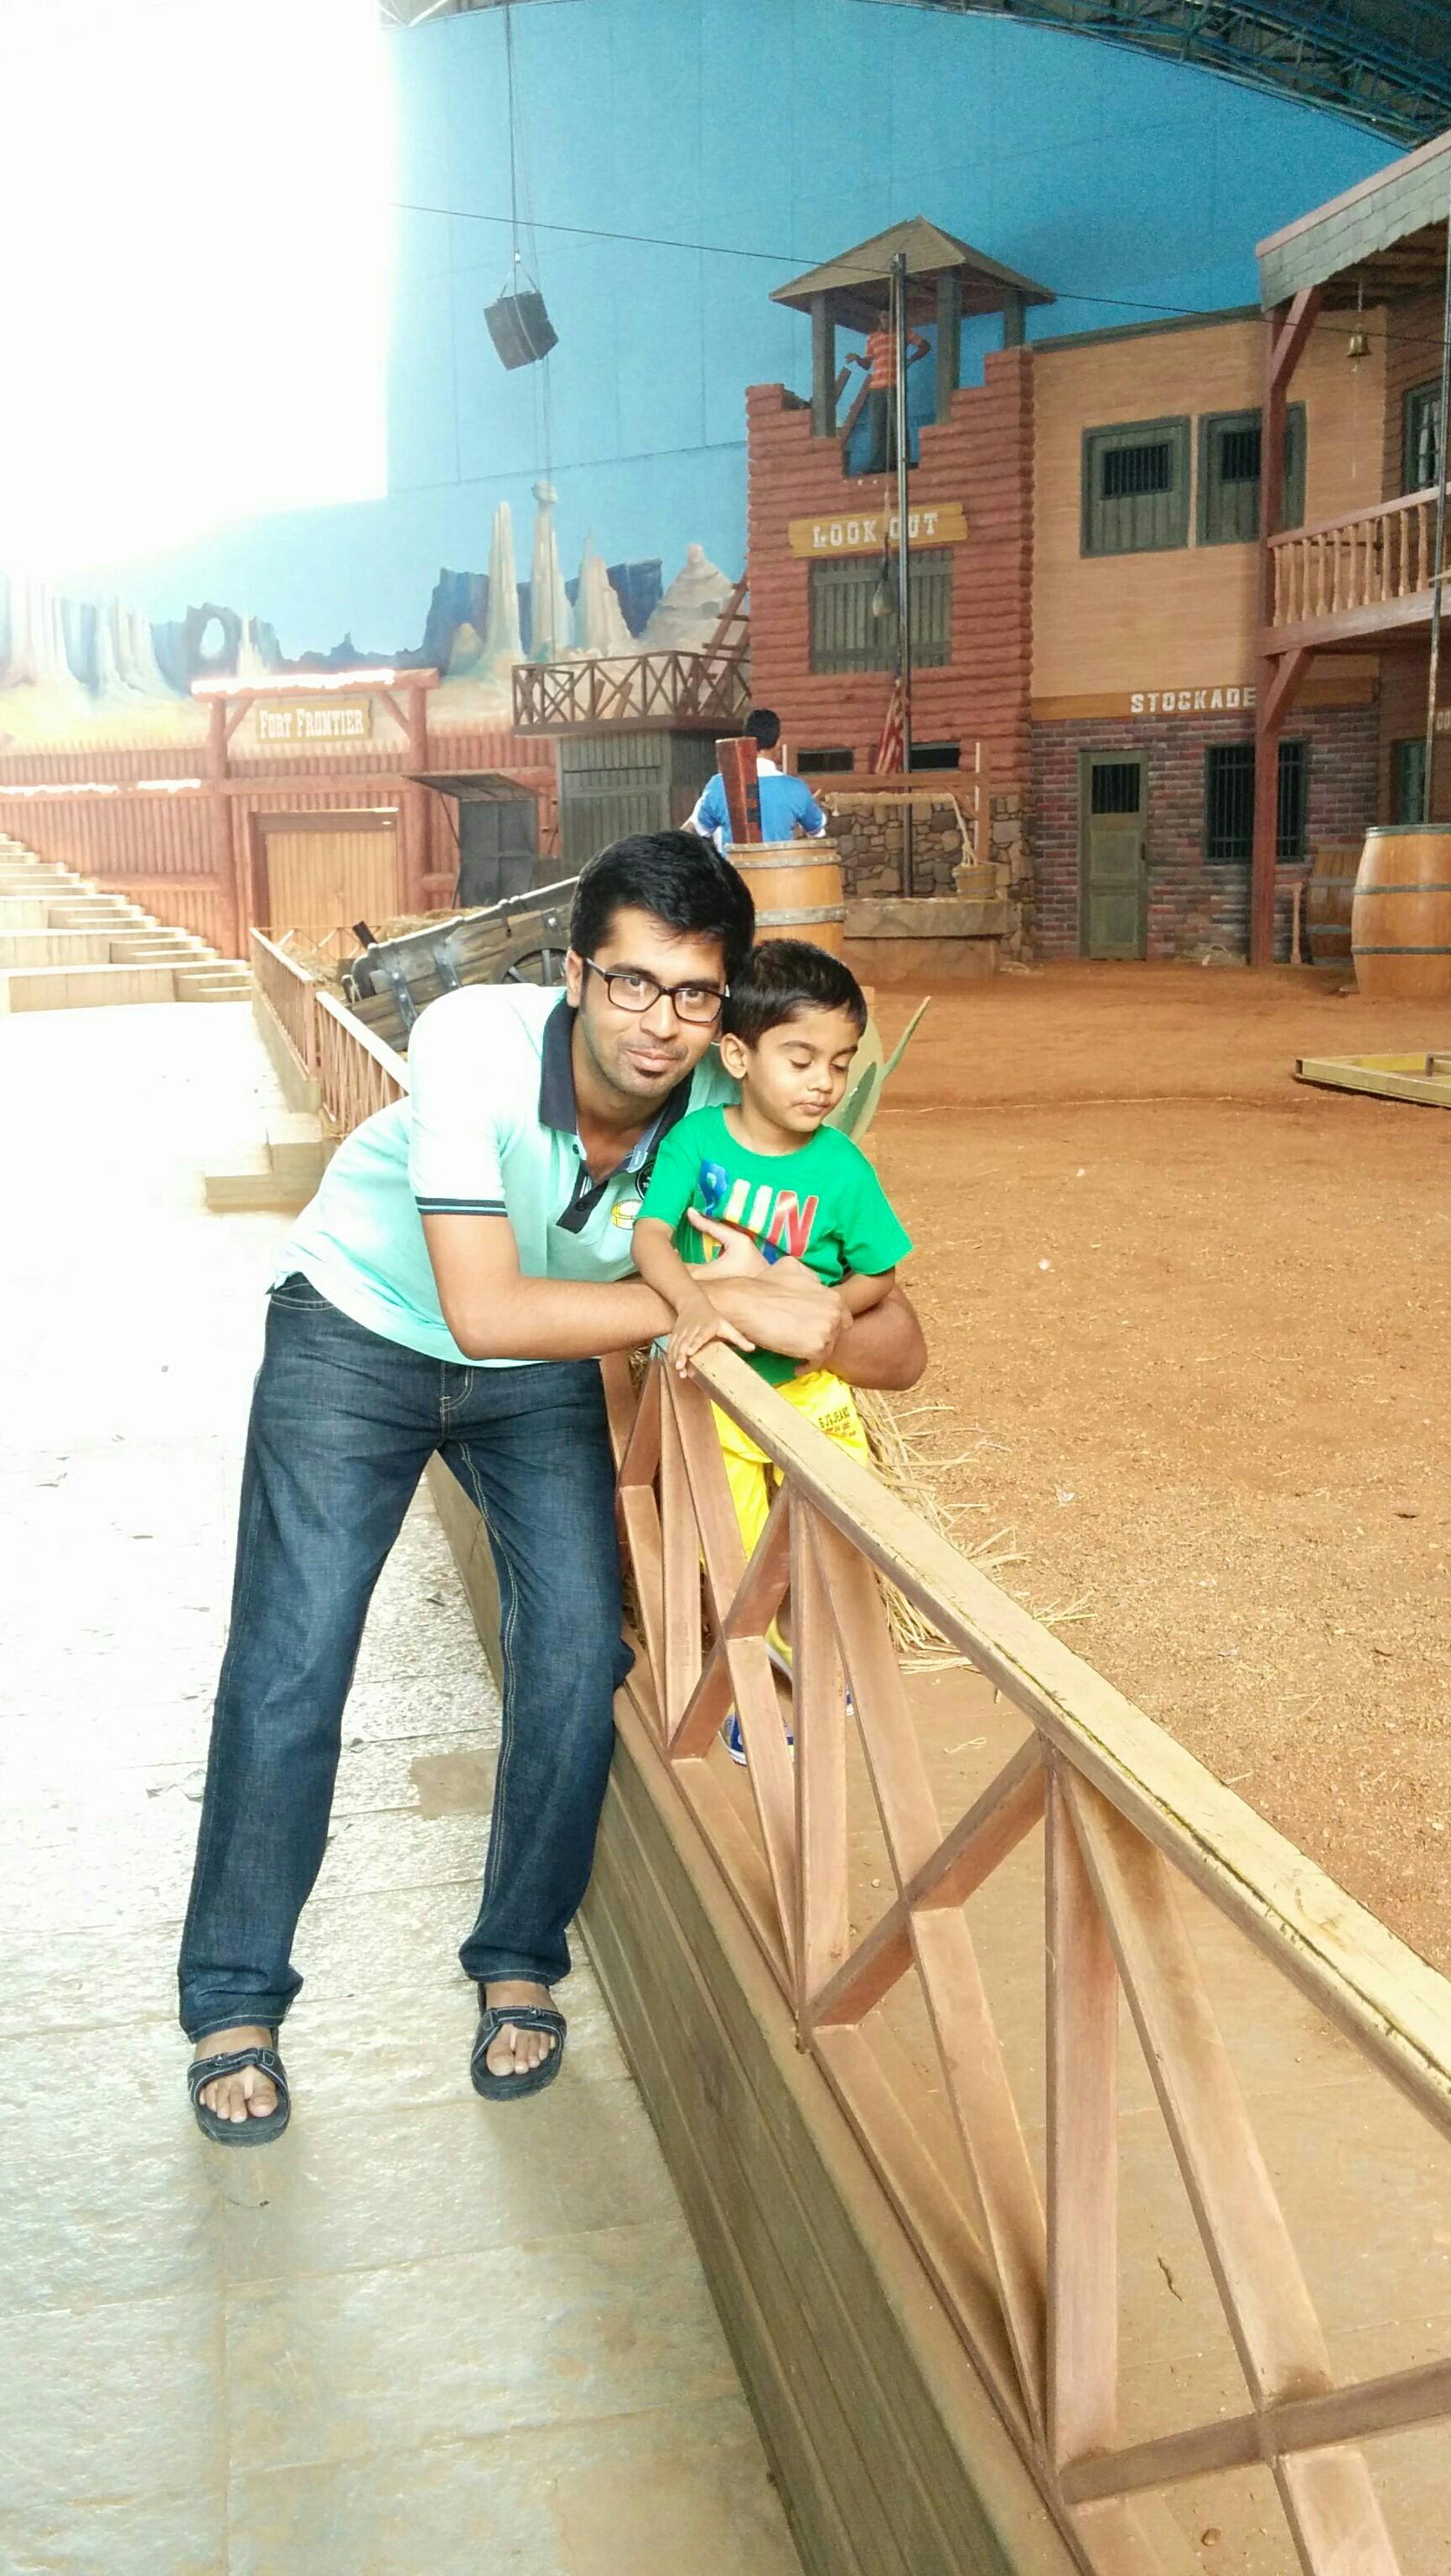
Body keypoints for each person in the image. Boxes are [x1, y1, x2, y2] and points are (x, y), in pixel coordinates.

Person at [179, 832, 925, 2142]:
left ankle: (518, 1959)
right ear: (575, 975)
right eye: (631, 982)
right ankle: (235, 1995)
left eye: (693, 994)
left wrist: (807, 1319)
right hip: (358, 1330)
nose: (659, 1024)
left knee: (578, 1648)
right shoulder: (476, 1038)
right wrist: (709, 1301)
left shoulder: (727, 1118)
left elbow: (897, 1339)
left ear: (726, 1012)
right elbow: (483, 1309)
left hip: (542, 1363)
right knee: (295, 1655)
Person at [631, 938, 911, 1761]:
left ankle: (818, 1666)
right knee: (739, 1557)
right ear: (738, 1056)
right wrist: (696, 1304)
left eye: (840, 1064)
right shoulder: (696, 1143)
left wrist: (820, 1308)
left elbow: (880, 1272)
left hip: (811, 1391)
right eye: (800, 1060)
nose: (824, 1082)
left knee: (835, 1535)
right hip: (713, 1392)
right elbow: (650, 1238)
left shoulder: (842, 1168)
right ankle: (748, 1702)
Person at [687, 707, 828, 851]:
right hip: (780, 865)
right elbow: (817, 831)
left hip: (731, 865)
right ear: (778, 742)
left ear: (746, 739)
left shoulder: (719, 785)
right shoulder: (796, 789)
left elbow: (695, 831)